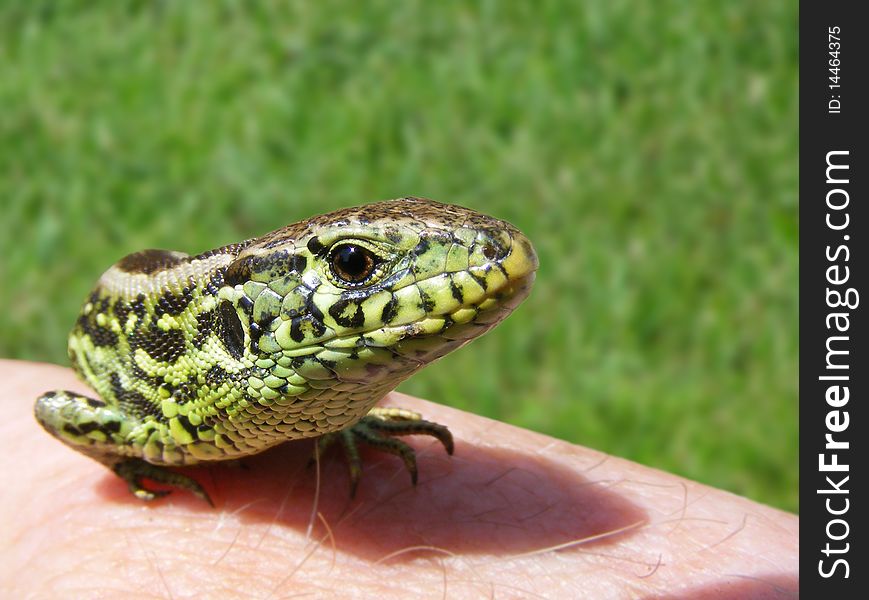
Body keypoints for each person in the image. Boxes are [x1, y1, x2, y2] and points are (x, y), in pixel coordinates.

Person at [0, 360, 797, 597]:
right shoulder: (174, 426)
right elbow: (56, 408)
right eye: (354, 267)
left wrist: (340, 416)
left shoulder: (286, 388)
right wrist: (133, 463)